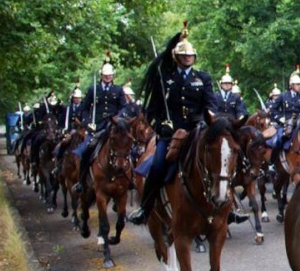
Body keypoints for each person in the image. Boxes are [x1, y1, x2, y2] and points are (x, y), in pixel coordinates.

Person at [127, 22, 247, 226]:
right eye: (184, 56)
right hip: (171, 133)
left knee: (223, 159)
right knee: (157, 166)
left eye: (190, 56)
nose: (187, 59)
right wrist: (160, 126)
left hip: (197, 129)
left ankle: (231, 206)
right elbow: (151, 111)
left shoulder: (203, 78)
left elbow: (211, 103)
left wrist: (209, 119)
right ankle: (145, 208)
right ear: (176, 57)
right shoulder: (165, 78)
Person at [73, 54, 128, 194]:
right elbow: (83, 109)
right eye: (105, 75)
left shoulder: (118, 90)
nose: (108, 77)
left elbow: (123, 107)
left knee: (127, 148)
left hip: (114, 126)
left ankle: (130, 178)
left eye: (110, 75)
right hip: (96, 126)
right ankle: (81, 181)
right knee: (86, 150)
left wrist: (119, 118)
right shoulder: (93, 89)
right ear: (101, 75)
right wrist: (87, 123)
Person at [269, 66, 300, 150]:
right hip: (285, 124)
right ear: (292, 85)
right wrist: (280, 118)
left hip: (299, 124)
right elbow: (273, 109)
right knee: (278, 140)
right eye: (297, 84)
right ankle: (272, 162)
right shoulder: (283, 96)